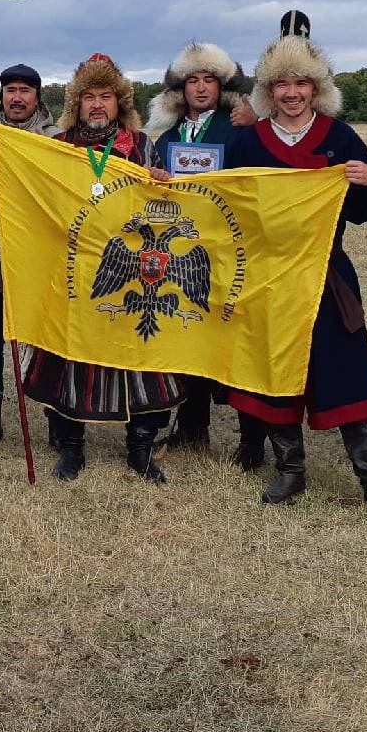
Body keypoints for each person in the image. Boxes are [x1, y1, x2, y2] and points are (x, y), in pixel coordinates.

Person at [223, 28, 367, 517]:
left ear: (316, 88)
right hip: (269, 275)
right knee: (277, 368)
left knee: (345, 370)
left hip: (327, 273)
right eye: (281, 83)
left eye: (301, 84)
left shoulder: (341, 137)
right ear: (268, 89)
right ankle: (290, 470)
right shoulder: (249, 142)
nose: (291, 93)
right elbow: (229, 210)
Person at [19, 52, 184, 484]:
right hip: (73, 269)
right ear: (77, 102)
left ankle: (141, 451)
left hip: (129, 269)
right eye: (89, 96)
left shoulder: (141, 145)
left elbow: (166, 208)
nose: (97, 105)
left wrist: (164, 186)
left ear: (119, 101)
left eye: (105, 96)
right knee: (69, 359)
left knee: (143, 361)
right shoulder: (58, 146)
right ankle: (71, 450)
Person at [144, 40, 251, 456]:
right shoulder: (170, 136)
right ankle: (191, 426)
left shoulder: (236, 127)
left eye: (209, 79)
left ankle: (250, 438)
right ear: (180, 88)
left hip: (226, 245)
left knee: (228, 336)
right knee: (187, 333)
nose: (201, 87)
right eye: (193, 80)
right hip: (183, 246)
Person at [0, 63, 60, 447]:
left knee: (48, 344)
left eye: (25, 90)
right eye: (10, 91)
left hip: (40, 260)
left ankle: (58, 423)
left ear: (38, 96)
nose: (17, 97)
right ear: (0, 96)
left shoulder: (55, 138)